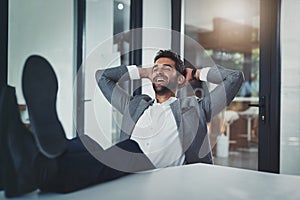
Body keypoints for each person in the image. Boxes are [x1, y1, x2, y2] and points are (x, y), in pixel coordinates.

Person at [0, 50, 243, 198]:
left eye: (166, 68)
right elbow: (102, 77)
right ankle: (27, 164)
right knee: (85, 145)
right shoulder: (136, 105)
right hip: (127, 161)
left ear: (180, 79)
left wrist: (197, 73)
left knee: (116, 153)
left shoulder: (195, 108)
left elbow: (234, 79)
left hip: (151, 167)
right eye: (155, 67)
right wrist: (145, 71)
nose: (158, 71)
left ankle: (28, 163)